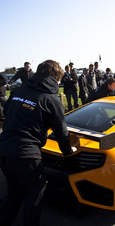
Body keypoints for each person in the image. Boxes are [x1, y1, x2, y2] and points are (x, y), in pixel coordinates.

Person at [0, 60, 76, 226]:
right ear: (55, 77)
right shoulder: (51, 99)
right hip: (26, 155)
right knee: (34, 195)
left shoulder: (19, 89)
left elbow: (7, 111)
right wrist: (68, 151)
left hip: (4, 149)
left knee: (14, 193)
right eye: (59, 80)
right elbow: (62, 132)